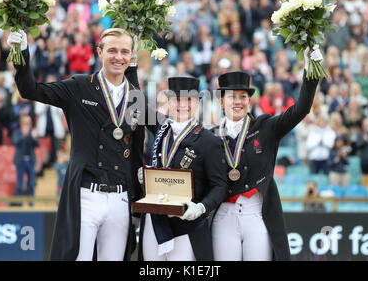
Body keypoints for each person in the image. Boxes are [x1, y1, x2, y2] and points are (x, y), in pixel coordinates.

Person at [7, 27, 145, 261]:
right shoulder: (78, 85)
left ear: (132, 57)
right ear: (99, 52)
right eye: (112, 50)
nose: (118, 57)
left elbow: (138, 149)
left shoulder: (136, 96)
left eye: (124, 52)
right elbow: (31, 89)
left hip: (120, 199)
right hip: (85, 196)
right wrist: (21, 52)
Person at [210, 45, 322, 261]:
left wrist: (312, 69)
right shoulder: (210, 136)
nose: (238, 102)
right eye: (232, 97)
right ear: (221, 101)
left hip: (256, 213)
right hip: (223, 215)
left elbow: (301, 109)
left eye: (243, 97)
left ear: (249, 100)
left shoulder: (266, 127)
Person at [131, 76, 228, 261]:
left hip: (186, 224)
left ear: (198, 101)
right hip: (154, 220)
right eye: (177, 99)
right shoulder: (162, 126)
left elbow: (220, 186)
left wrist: (201, 207)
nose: (183, 104)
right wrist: (132, 61)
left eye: (189, 99)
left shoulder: (209, 141)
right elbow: (135, 101)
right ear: (169, 101)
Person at [12, 114, 39, 198]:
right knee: (19, 183)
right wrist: (23, 135)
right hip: (20, 160)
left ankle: (31, 203)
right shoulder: (17, 132)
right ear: (21, 123)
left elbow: (37, 145)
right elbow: (15, 142)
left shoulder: (32, 132)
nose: (27, 125)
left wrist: (34, 138)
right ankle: (19, 204)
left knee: (31, 183)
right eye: (25, 123)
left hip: (30, 160)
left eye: (29, 123)